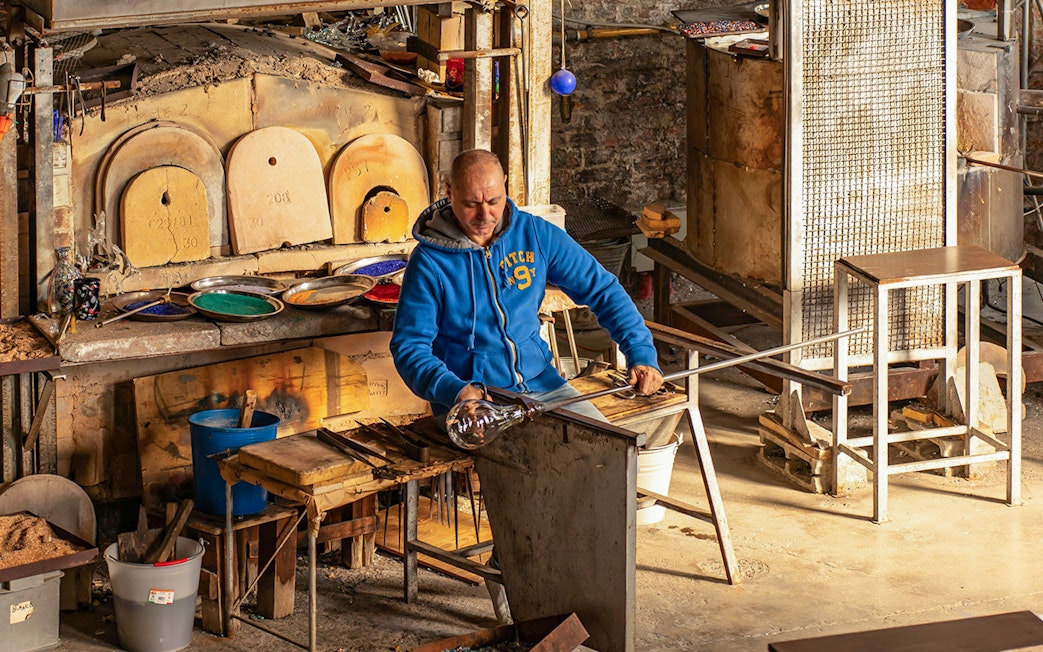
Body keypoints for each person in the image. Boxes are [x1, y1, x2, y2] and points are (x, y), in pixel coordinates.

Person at [391, 148, 664, 424]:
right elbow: (410, 347)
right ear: (449, 193)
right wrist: (454, 390)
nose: (485, 215)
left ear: (505, 184)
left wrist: (640, 353)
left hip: (544, 385)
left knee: (605, 454)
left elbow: (603, 290)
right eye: (471, 204)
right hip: (476, 402)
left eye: (494, 201)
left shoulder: (535, 234)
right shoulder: (429, 263)